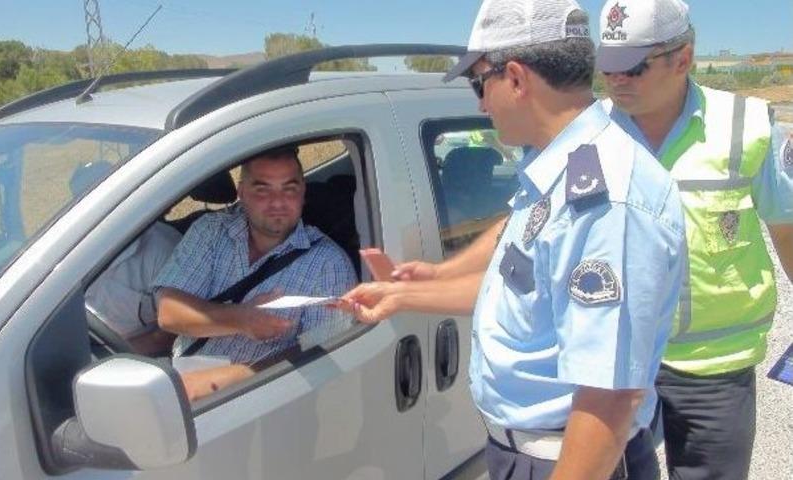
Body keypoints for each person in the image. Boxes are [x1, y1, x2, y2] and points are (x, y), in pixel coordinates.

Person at [340, 0, 687, 478]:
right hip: (523, 453)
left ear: (518, 79)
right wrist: (404, 293)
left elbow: (609, 396)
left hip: (567, 461)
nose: (481, 103)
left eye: (480, 83)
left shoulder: (606, 202)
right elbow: (520, 291)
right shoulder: (555, 168)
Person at [595, 1, 793, 478]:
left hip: (715, 368)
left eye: (632, 67)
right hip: (612, 364)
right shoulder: (588, 134)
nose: (616, 80)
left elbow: (787, 227)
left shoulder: (746, 127)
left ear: (682, 58)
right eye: (607, 66)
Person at [153, 146, 357, 364]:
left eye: (289, 189)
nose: (277, 202)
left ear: (302, 192)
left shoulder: (329, 264)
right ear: (241, 193)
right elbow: (169, 312)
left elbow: (326, 357)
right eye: (263, 190)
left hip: (257, 391)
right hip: (177, 375)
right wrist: (240, 318)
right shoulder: (212, 230)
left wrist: (219, 382)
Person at [70, 160, 182, 355]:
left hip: (122, 359)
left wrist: (105, 358)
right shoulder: (67, 244)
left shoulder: (162, 249)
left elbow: (170, 334)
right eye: (81, 199)